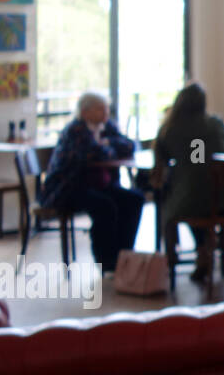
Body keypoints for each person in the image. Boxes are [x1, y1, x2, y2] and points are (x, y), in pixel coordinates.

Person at [38, 92, 144, 272]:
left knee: (134, 199)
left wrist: (106, 142)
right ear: (86, 111)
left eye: (106, 109)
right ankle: (106, 261)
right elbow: (91, 153)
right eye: (101, 109)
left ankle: (124, 254)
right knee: (105, 206)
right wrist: (108, 147)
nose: (106, 113)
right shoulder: (75, 130)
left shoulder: (106, 126)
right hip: (68, 187)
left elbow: (130, 145)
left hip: (97, 184)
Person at [151, 83, 224, 283]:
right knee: (197, 194)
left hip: (195, 200)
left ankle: (175, 255)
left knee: (180, 202)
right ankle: (204, 249)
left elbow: (167, 168)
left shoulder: (170, 129)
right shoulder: (215, 124)